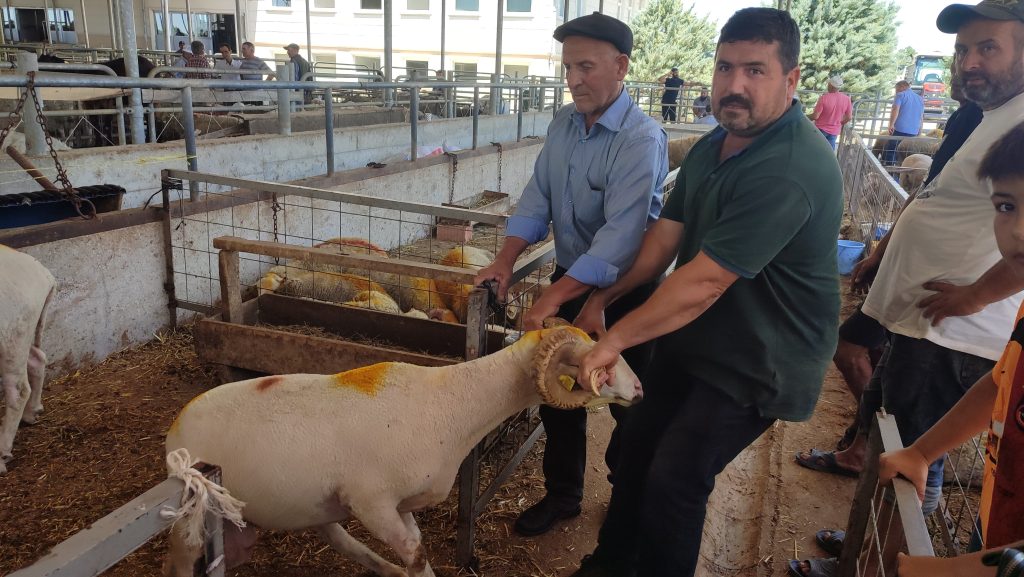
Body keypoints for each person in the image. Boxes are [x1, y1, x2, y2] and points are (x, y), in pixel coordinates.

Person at [568, 8, 843, 576]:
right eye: (724, 67)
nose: (734, 85)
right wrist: (604, 299)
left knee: (677, 476)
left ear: (791, 80)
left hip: (763, 357)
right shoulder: (715, 144)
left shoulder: (789, 166)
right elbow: (664, 240)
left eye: (755, 70)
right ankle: (610, 564)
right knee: (635, 449)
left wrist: (614, 341)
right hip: (701, 337)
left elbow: (706, 281)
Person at [791, 2, 1024, 573]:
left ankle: (881, 563)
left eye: (988, 48)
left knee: (918, 458)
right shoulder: (990, 116)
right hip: (925, 320)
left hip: (955, 330)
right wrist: (887, 252)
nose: (969, 62)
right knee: (895, 437)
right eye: (963, 50)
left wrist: (973, 296)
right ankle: (864, 547)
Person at [473, 11, 667, 538]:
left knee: (629, 398)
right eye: (567, 68)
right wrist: (505, 260)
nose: (573, 80)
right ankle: (563, 495)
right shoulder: (563, 124)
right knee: (557, 390)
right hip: (571, 275)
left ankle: (628, 494)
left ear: (621, 66)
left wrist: (551, 298)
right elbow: (538, 198)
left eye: (586, 67)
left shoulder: (641, 138)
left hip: (629, 290)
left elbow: (621, 238)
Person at [875, 120, 1024, 576]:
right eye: (1006, 205)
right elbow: (1003, 381)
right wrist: (923, 451)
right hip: (1000, 519)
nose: (1018, 230)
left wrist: (948, 571)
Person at [883, 79, 924, 165]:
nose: (896, 92)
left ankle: (889, 168)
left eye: (897, 89)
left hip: (900, 128)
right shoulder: (920, 98)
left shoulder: (900, 95)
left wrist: (891, 124)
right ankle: (903, 168)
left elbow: (895, 109)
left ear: (902, 86)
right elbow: (921, 116)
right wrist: (920, 129)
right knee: (907, 152)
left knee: (892, 148)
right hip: (913, 131)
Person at [810, 75, 853, 149]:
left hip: (820, 129)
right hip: (834, 131)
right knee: (829, 151)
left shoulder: (823, 98)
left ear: (831, 86)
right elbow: (849, 117)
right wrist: (840, 123)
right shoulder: (847, 99)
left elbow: (815, 116)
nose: (827, 86)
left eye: (828, 84)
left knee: (817, 150)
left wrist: (804, 116)